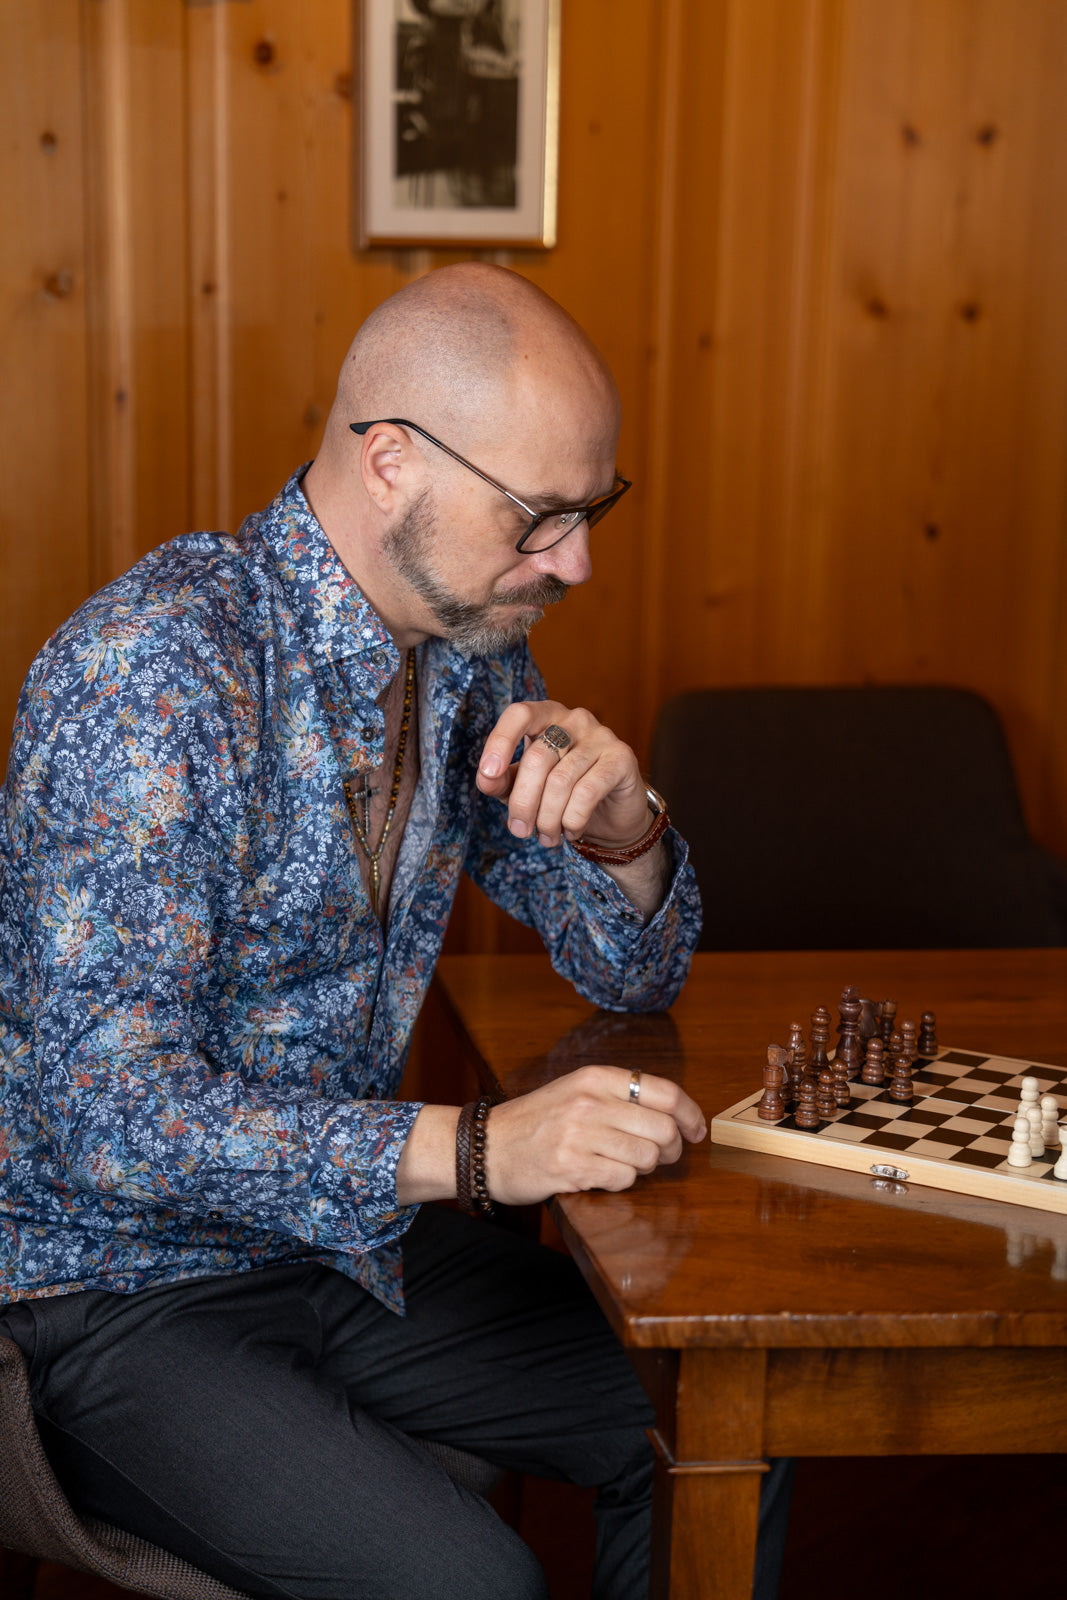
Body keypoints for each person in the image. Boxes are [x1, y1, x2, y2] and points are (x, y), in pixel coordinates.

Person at [0, 263, 789, 1598]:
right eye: (540, 518)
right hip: (115, 1290)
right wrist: (479, 1149)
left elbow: (632, 968)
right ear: (390, 465)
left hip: (345, 1245)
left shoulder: (470, 647)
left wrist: (623, 826)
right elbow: (112, 1116)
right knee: (474, 1586)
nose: (578, 563)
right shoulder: (151, 670)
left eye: (593, 514)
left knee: (722, 1428)